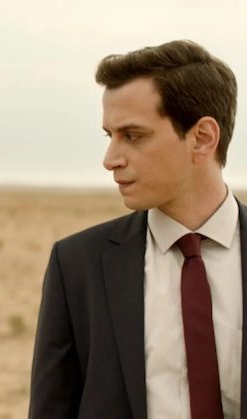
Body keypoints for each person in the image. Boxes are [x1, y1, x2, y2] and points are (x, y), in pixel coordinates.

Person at [29, 40, 244, 418]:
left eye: (133, 136)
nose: (110, 159)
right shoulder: (77, 265)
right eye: (109, 136)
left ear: (202, 138)